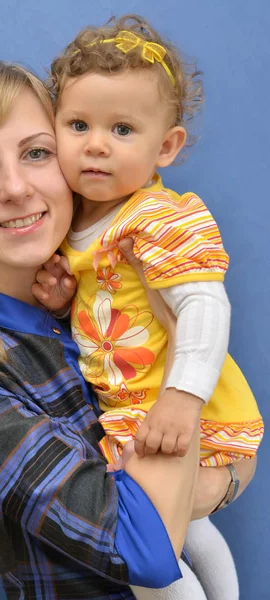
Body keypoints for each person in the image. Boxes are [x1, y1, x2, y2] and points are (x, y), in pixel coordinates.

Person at [0, 61, 256, 600]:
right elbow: (142, 546)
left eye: (36, 153)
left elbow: (230, 456)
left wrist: (223, 473)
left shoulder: (104, 293)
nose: (17, 188)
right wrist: (220, 471)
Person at [32, 14, 263, 600]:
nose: (97, 144)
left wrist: (182, 401)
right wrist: (64, 302)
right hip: (133, 406)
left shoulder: (158, 218)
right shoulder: (71, 227)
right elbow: (111, 307)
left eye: (123, 129)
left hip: (180, 406)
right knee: (188, 529)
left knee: (146, 556)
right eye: (78, 124)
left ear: (167, 145)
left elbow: (206, 308)